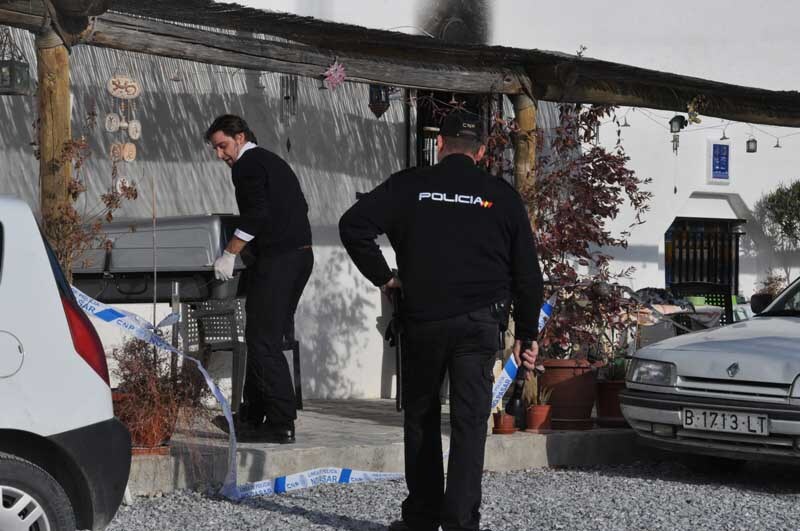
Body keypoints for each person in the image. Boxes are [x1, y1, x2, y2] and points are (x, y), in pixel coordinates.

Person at [339, 110, 543, 531]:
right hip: (479, 324)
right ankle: (460, 522)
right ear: (482, 152)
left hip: (424, 320)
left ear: (440, 144)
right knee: (470, 423)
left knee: (422, 415)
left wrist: (386, 278)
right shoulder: (500, 196)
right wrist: (526, 334)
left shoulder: (410, 184)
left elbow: (353, 225)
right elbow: (527, 272)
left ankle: (422, 516)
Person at [206, 114, 313, 444]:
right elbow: (296, 207)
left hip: (280, 260)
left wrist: (230, 252)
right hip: (299, 257)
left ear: (239, 137)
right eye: (215, 148)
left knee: (263, 340)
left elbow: (257, 214)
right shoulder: (271, 161)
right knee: (262, 336)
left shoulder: (247, 165)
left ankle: (280, 423)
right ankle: (252, 414)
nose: (220, 155)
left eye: (222, 146)